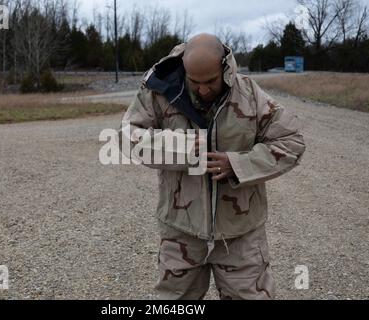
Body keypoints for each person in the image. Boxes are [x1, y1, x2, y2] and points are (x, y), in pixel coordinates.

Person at [118, 33, 306, 300]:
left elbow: (292, 140)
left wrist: (238, 164)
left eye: (211, 81)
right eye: (194, 82)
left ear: (225, 68)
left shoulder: (249, 95)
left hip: (240, 235)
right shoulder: (158, 92)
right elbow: (126, 137)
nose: (203, 90)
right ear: (184, 70)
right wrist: (181, 148)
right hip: (181, 233)